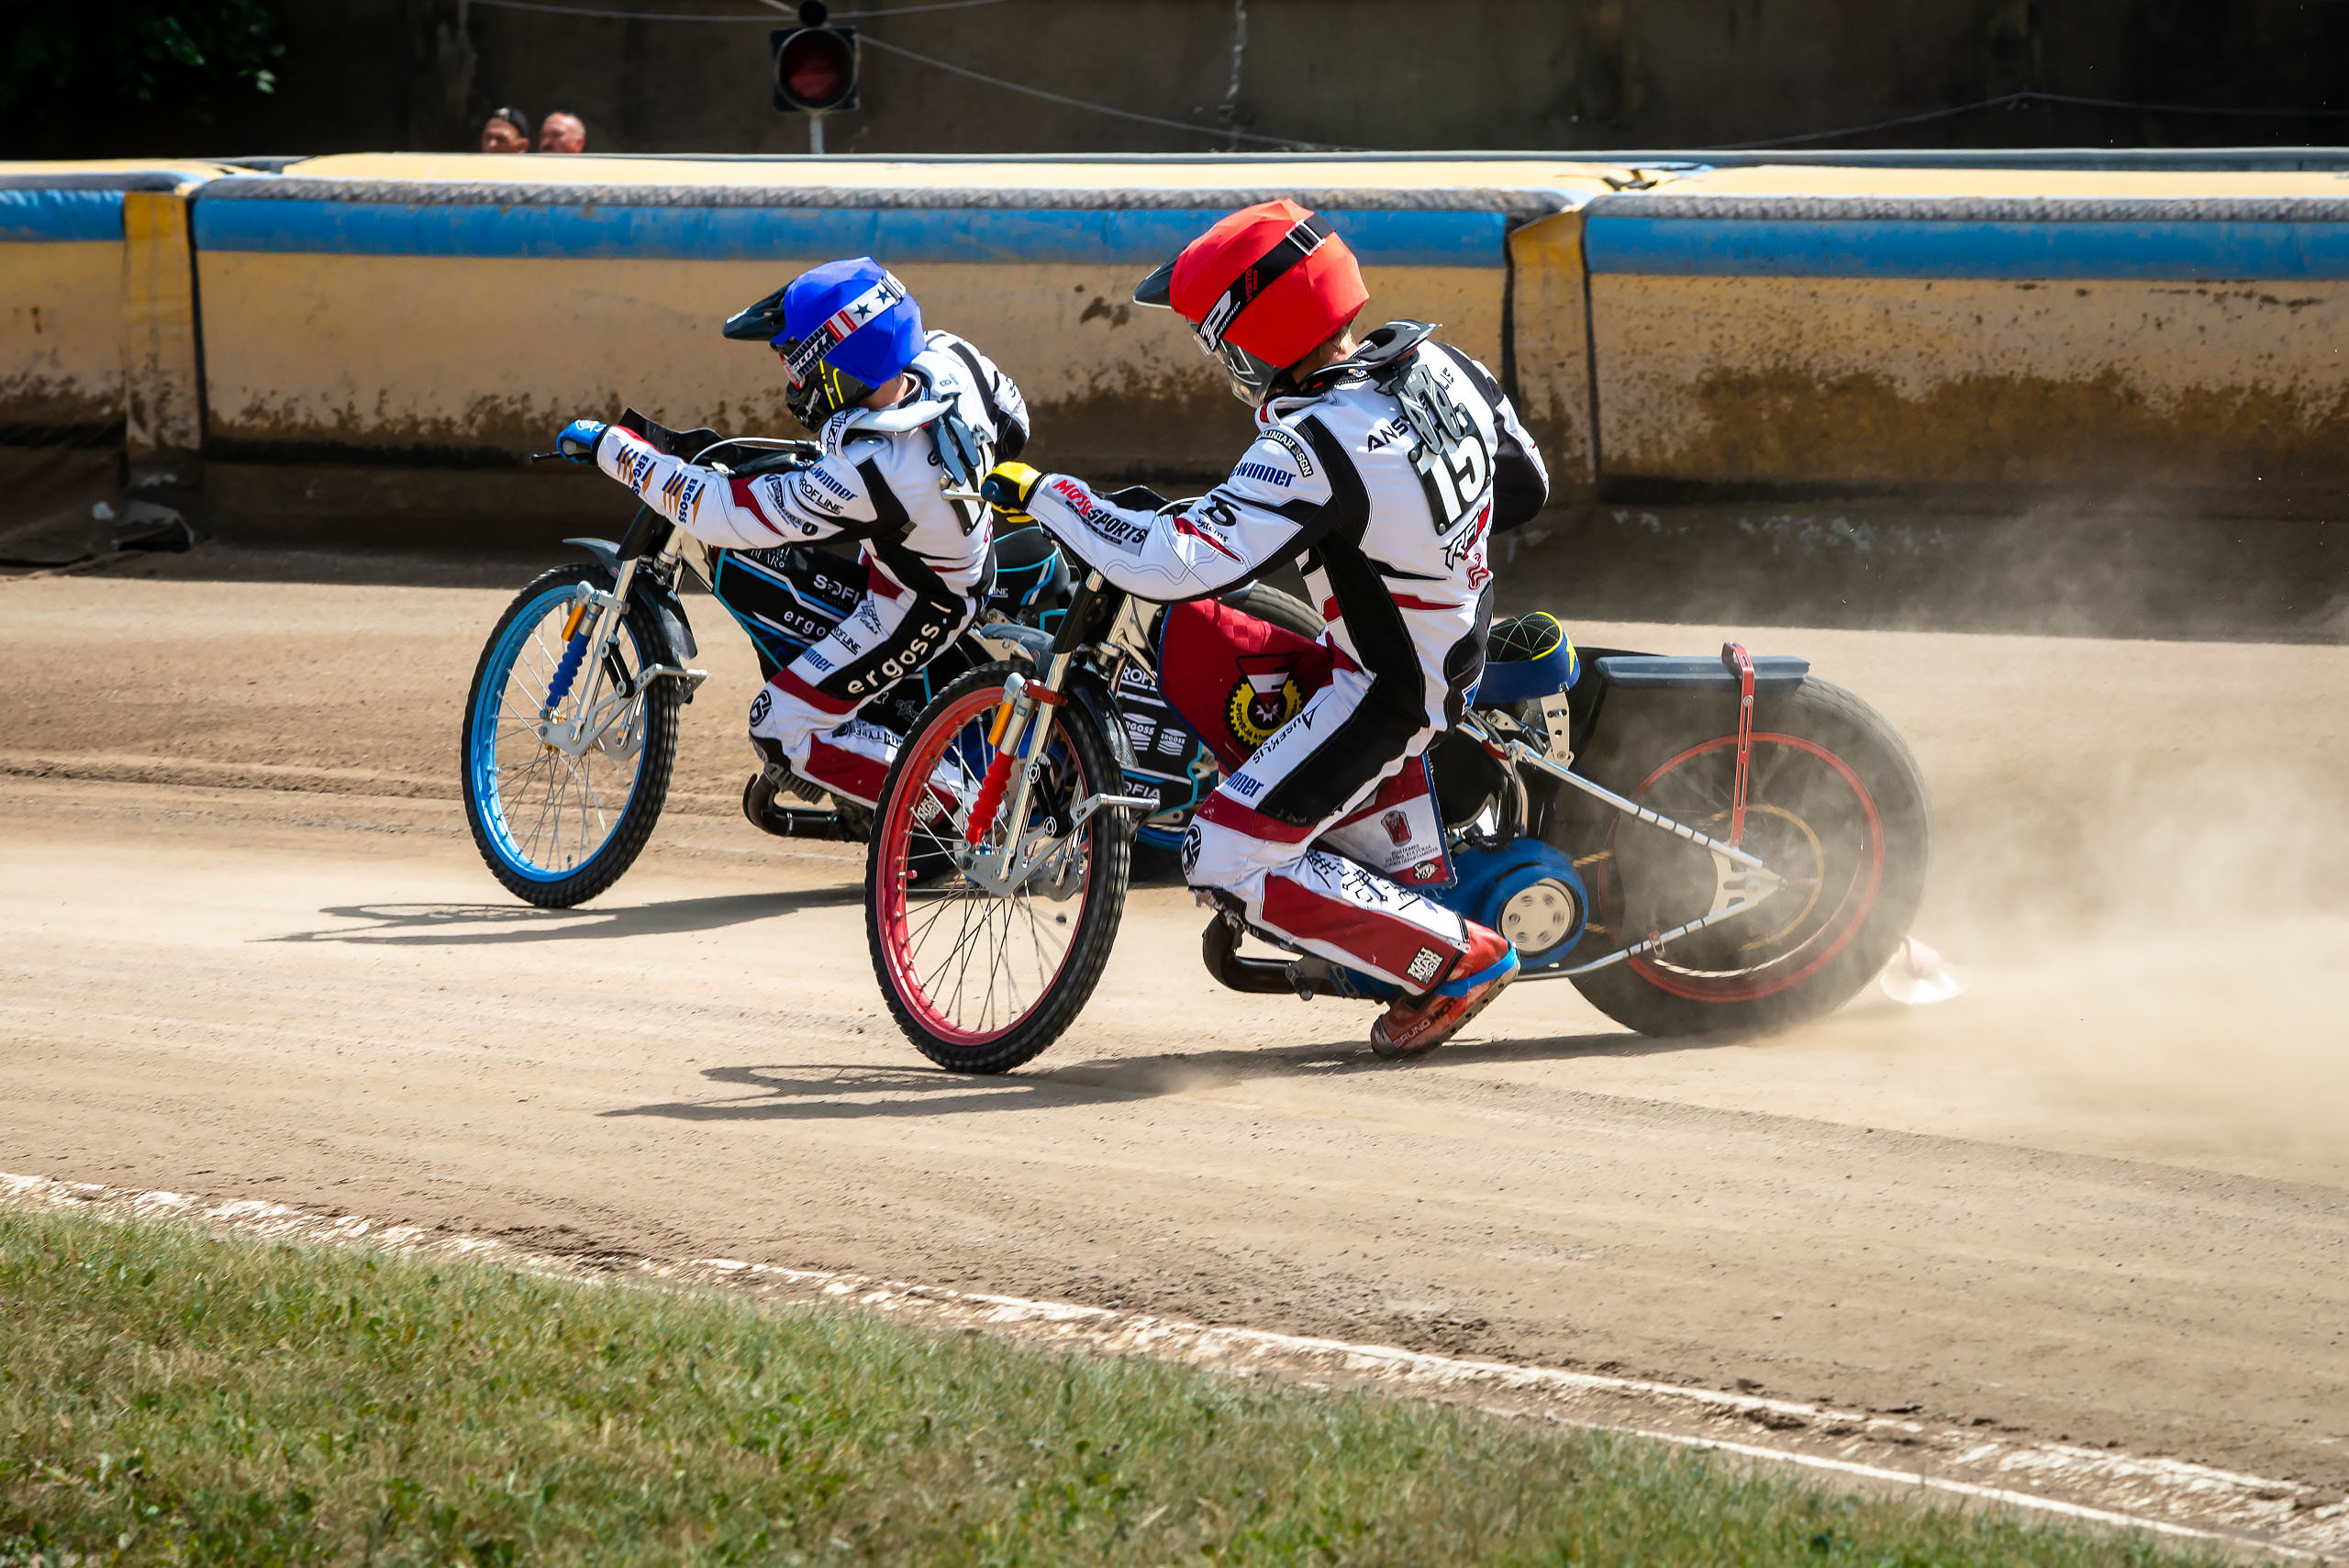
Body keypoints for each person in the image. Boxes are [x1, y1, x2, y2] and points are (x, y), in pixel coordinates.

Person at [983, 200, 1549, 1059]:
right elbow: (1527, 486)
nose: (1224, 364)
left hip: (1391, 689)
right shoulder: (1437, 360)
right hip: (1457, 624)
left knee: (1219, 851)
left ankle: (1454, 962)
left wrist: (1051, 496)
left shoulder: (1314, 441)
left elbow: (1176, 564)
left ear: (1252, 335)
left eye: (1220, 342)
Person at [552, 257, 1030, 817]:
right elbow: (1015, 423)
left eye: (794, 366)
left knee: (778, 725)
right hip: (944, 545)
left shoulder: (871, 471)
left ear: (833, 368)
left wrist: (614, 448)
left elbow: (721, 511)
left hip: (921, 603)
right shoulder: (950, 354)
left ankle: (968, 810)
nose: (790, 382)